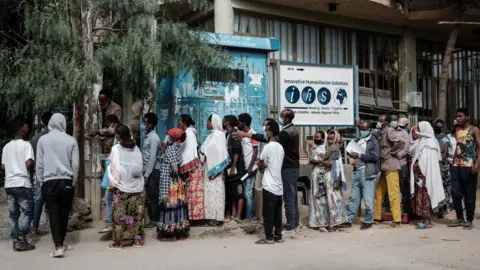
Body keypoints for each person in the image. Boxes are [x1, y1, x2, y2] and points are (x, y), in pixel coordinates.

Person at [233, 109, 300, 233]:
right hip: (293, 167)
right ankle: (294, 221)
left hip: (287, 169)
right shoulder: (292, 130)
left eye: (267, 127)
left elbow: (266, 140)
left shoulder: (284, 134)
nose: (265, 130)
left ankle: (291, 224)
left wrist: (246, 135)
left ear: (285, 119)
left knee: (289, 197)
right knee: (293, 196)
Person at [36, 113, 79, 257]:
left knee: (53, 213)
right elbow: (75, 165)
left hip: (48, 181)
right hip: (66, 180)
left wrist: (40, 181)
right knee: (64, 213)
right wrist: (73, 181)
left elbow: (40, 164)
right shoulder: (71, 140)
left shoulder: (43, 140)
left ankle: (58, 246)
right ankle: (62, 242)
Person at [107, 124, 145, 250]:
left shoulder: (116, 149)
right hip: (137, 188)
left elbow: (113, 169)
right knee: (137, 215)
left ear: (118, 135)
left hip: (122, 188)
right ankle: (137, 241)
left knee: (119, 216)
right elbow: (139, 168)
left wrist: (113, 181)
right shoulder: (137, 149)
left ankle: (118, 243)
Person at [2, 119, 35, 251]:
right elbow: (28, 163)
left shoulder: (6, 147)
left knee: (13, 214)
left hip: (9, 183)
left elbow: (3, 166)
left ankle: (15, 239)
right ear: (22, 130)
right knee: (28, 212)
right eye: (25, 127)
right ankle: (22, 239)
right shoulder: (26, 145)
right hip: (22, 183)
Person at [341, 120, 380, 230]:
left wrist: (359, 155)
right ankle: (349, 220)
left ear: (369, 129)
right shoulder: (358, 140)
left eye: (364, 129)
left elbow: (374, 157)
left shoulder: (373, 141)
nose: (362, 131)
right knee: (353, 197)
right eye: (361, 129)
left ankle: (368, 221)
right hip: (357, 171)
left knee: (368, 198)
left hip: (367, 172)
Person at [410, 121, 446, 229]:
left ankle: (428, 221)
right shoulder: (423, 141)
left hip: (426, 175)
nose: (418, 132)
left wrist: (418, 167)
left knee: (427, 197)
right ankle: (424, 219)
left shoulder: (430, 143)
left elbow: (426, 161)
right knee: (420, 197)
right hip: (420, 175)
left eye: (420, 129)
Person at [309, 130, 348, 232]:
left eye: (318, 137)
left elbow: (334, 164)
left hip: (330, 177)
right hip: (318, 177)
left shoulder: (331, 149)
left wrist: (324, 163)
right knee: (320, 199)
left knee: (332, 199)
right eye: (315, 137)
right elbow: (311, 160)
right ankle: (322, 222)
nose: (316, 139)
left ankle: (333, 222)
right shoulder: (318, 148)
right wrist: (322, 162)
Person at [448, 108, 480, 230]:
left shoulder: (474, 130)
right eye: (457, 116)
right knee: (455, 193)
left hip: (469, 166)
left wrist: (477, 164)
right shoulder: (456, 130)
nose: (458, 118)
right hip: (456, 166)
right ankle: (460, 217)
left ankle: (469, 220)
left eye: (460, 116)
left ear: (467, 117)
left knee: (469, 194)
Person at [373, 114, 405, 228]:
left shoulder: (389, 131)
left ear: (386, 122)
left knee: (393, 193)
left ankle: (397, 220)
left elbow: (401, 142)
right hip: (383, 166)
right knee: (378, 191)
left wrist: (392, 152)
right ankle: (376, 217)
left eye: (380, 121)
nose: (378, 122)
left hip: (391, 165)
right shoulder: (380, 132)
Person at [157, 128, 190, 241]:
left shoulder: (171, 149)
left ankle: (172, 233)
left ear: (172, 137)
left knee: (170, 206)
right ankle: (179, 232)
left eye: (168, 135)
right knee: (178, 207)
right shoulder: (176, 147)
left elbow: (173, 167)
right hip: (177, 183)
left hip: (170, 183)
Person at [256, 119, 284, 244]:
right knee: (278, 214)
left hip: (269, 185)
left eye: (266, 129)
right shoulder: (280, 148)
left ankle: (269, 237)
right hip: (279, 186)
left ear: (270, 132)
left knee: (267, 213)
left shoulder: (267, 147)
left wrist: (261, 165)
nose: (265, 131)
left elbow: (260, 165)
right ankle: (278, 236)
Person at [201, 114, 229, 226]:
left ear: (213, 122)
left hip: (214, 171)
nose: (206, 124)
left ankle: (216, 218)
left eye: (208, 121)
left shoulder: (217, 136)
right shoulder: (214, 135)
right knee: (212, 193)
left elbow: (209, 150)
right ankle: (213, 217)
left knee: (215, 193)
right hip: (212, 169)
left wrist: (202, 152)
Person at [178, 114, 204, 221]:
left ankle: (194, 217)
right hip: (192, 168)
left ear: (184, 123)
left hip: (192, 168)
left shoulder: (189, 134)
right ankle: (191, 216)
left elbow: (188, 152)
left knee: (193, 192)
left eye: (180, 121)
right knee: (190, 192)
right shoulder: (189, 133)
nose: (178, 123)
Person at [30, 112, 53, 235]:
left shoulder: (36, 138)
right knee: (54, 199)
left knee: (39, 199)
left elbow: (33, 159)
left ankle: (34, 225)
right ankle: (54, 226)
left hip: (41, 173)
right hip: (55, 173)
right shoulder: (59, 136)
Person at [99, 114, 120, 233]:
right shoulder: (119, 137)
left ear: (113, 123)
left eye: (110, 125)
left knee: (109, 196)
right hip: (116, 174)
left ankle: (110, 223)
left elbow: (115, 157)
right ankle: (112, 222)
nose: (109, 127)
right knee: (112, 197)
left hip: (115, 175)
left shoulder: (119, 139)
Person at [224, 115, 246, 222]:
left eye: (224, 121)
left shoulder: (235, 134)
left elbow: (237, 151)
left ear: (227, 122)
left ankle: (238, 216)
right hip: (229, 169)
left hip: (237, 169)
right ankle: (233, 214)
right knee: (232, 192)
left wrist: (233, 167)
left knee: (239, 192)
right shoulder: (227, 134)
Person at [142, 113, 161, 229]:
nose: (143, 124)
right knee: (149, 195)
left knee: (153, 195)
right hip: (148, 170)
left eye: (145, 122)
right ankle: (153, 218)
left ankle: (155, 220)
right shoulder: (147, 136)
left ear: (151, 124)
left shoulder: (154, 138)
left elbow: (153, 158)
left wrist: (147, 174)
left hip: (153, 171)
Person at [238, 113, 259, 220]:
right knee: (248, 192)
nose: (238, 123)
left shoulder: (252, 134)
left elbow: (255, 150)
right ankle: (250, 215)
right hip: (246, 167)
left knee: (248, 192)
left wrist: (250, 166)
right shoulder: (243, 134)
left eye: (239, 121)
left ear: (243, 123)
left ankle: (249, 218)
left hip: (251, 167)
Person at [91, 89, 122, 155]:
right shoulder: (97, 107)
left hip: (110, 141)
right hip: (97, 141)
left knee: (108, 161)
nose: (101, 103)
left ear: (108, 99)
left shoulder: (116, 108)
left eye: (103, 101)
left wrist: (98, 132)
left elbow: (113, 128)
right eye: (99, 101)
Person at [433, 118, 453, 217]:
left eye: (440, 126)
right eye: (437, 126)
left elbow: (445, 150)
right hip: (434, 162)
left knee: (444, 185)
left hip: (441, 163)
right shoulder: (432, 136)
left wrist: (442, 158)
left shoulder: (444, 137)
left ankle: (443, 208)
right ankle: (437, 208)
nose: (438, 128)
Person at [396, 118, 411, 222]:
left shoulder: (405, 134)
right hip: (394, 164)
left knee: (404, 189)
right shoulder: (392, 131)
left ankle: (405, 212)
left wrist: (397, 156)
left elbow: (406, 149)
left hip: (402, 164)